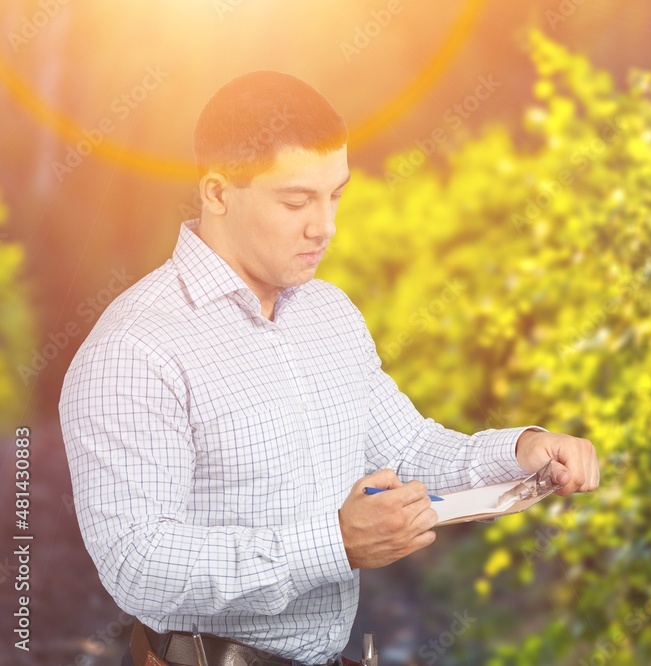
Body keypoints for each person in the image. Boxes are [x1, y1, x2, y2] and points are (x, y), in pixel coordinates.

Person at [59, 70, 599, 666]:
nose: (325, 226)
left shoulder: (329, 313)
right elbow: (139, 564)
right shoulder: (136, 347)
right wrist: (335, 543)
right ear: (216, 193)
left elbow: (409, 449)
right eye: (296, 201)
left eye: (335, 194)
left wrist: (522, 450)